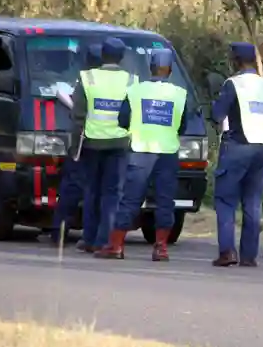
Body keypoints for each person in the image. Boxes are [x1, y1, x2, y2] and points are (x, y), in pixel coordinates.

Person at [94, 48, 187, 261]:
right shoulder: (180, 94)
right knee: (165, 201)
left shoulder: (135, 91)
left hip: (140, 152)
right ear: (170, 70)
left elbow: (123, 120)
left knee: (130, 199)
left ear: (150, 68)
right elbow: (182, 126)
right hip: (167, 153)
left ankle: (116, 246)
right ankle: (161, 248)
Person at [210, 42, 263, 267]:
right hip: (262, 148)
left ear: (236, 61)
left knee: (226, 201)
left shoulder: (233, 84)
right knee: (252, 202)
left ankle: (227, 251)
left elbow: (218, 114)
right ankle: (249, 255)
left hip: (237, 146)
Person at [70, 37, 135, 253]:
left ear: (102, 55)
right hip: (119, 145)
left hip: (91, 143)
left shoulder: (87, 77)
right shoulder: (131, 80)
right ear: (121, 57)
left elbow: (77, 115)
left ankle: (88, 239)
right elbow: (133, 114)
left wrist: (74, 147)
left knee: (91, 191)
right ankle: (104, 240)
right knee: (112, 193)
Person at [49, 43, 102, 247]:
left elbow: (77, 111)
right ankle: (94, 235)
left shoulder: (84, 80)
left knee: (73, 187)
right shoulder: (112, 81)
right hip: (103, 142)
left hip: (83, 141)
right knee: (96, 190)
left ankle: (60, 231)